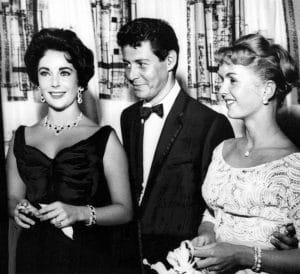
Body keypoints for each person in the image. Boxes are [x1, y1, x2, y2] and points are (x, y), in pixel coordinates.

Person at [6, 28, 133, 274]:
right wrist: (17, 208)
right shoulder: (20, 138)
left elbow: (125, 211)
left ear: (80, 81)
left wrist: (80, 212)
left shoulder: (105, 138)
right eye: (45, 73)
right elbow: (12, 197)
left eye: (64, 73)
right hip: (33, 257)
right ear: (37, 81)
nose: (54, 83)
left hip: (88, 259)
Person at [116, 18, 235, 273]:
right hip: (131, 255)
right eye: (127, 64)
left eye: (141, 64)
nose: (131, 75)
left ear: (170, 60)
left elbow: (217, 208)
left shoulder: (210, 124)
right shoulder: (128, 118)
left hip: (182, 260)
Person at [192, 33, 300, 274]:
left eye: (232, 80)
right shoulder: (222, 150)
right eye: (221, 80)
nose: (221, 90)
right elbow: (213, 213)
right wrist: (207, 233)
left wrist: (243, 256)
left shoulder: (294, 167)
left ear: (267, 90)